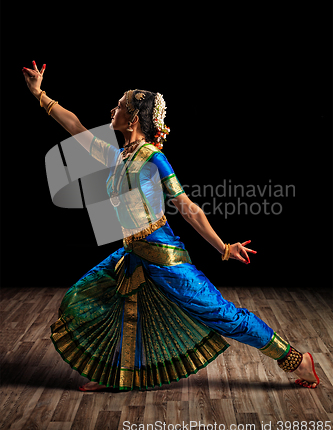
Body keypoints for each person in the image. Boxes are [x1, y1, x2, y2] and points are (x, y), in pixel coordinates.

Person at [22, 61, 320, 391]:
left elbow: (187, 208)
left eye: (119, 105)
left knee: (222, 314)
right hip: (132, 253)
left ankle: (295, 359)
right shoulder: (118, 156)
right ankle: (118, 375)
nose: (112, 109)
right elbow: (77, 128)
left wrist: (223, 247)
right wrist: (40, 94)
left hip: (163, 257)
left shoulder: (152, 158)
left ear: (133, 117)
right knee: (110, 303)